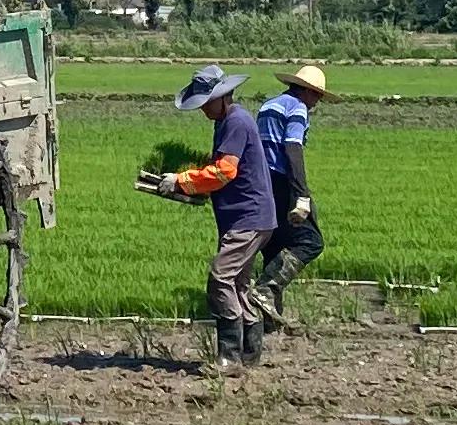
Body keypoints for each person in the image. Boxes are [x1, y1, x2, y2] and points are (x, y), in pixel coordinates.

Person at [137, 62, 277, 373]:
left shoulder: (236, 122)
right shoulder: (226, 121)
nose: (203, 110)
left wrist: (182, 180)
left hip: (248, 218)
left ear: (223, 97)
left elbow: (224, 172)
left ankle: (229, 357)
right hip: (248, 217)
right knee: (238, 284)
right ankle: (249, 354)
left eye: (206, 103)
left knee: (220, 278)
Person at [250, 62, 329, 325]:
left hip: (261, 181)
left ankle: (270, 319)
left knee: (275, 246)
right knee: (311, 241)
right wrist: (301, 194)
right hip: (282, 180)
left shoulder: (268, 105)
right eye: (317, 95)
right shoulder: (297, 108)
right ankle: (265, 289)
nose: (317, 102)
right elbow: (292, 148)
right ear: (307, 91)